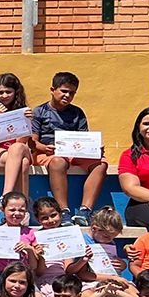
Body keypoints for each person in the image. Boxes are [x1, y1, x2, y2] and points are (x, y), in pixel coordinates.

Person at [33, 72, 105, 226]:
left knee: (101, 163)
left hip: (73, 152)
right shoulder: (39, 111)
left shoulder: (77, 113)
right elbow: (33, 142)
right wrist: (45, 148)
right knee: (58, 162)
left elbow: (83, 138)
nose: (67, 96)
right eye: (63, 91)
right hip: (47, 153)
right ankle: (64, 211)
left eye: (71, 93)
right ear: (53, 90)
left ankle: (85, 210)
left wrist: (94, 148)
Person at [0, 73, 35, 212]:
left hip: (17, 149)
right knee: (23, 163)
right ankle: (23, 208)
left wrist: (27, 122)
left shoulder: (23, 112)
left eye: (8, 92)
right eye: (0, 92)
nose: (4, 96)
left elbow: (21, 142)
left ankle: (6, 197)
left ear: (16, 92)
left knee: (17, 149)